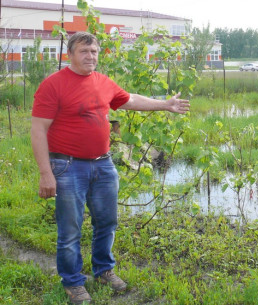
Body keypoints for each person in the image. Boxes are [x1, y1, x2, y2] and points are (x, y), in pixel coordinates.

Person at [30, 31, 190, 304]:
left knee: (107, 222)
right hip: (67, 167)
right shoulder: (53, 85)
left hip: (103, 165)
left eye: (94, 51)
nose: (90, 56)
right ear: (70, 54)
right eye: (84, 51)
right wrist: (46, 172)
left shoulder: (102, 82)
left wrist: (165, 104)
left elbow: (129, 99)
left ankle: (103, 270)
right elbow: (37, 129)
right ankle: (73, 282)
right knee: (70, 229)